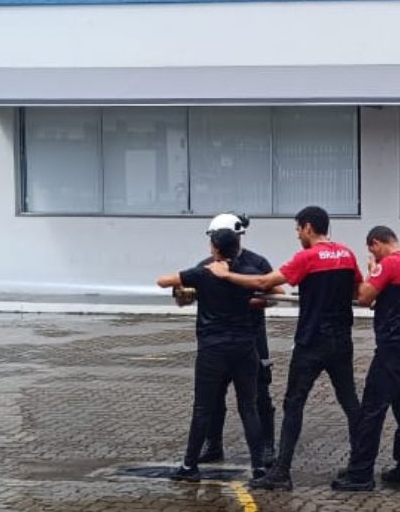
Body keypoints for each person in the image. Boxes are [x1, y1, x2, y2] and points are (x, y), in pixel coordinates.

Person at [208, 205, 362, 491]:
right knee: (350, 402)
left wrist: (225, 276)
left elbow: (265, 282)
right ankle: (360, 465)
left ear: (308, 228)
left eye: (297, 229)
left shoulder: (307, 257)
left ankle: (281, 472)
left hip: (311, 340)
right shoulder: (347, 254)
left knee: (294, 404)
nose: (297, 235)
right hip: (342, 340)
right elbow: (358, 290)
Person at [155, 228, 269, 482]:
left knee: (203, 407)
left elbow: (163, 281)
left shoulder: (203, 273)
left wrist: (195, 287)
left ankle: (189, 466)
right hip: (244, 347)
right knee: (249, 407)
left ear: (215, 249)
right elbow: (271, 291)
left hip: (212, 349)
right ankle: (259, 467)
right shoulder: (248, 275)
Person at [332, 226, 400, 491]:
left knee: (372, 409)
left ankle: (360, 473)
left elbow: (364, 297)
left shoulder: (388, 264)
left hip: (391, 347)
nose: (372, 254)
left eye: (371, 249)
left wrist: (372, 268)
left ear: (377, 243)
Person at [196, 213, 278, 467]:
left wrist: (248, 301)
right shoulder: (206, 266)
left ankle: (266, 447)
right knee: (214, 396)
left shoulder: (257, 263)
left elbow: (274, 295)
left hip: (251, 339)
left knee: (258, 395)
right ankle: (213, 444)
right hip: (215, 341)